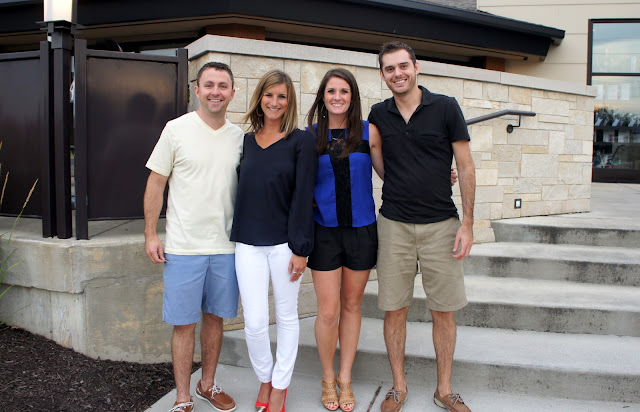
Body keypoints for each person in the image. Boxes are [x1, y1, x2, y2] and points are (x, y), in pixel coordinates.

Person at [368, 42, 476, 412]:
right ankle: (398, 387)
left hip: (442, 225)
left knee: (443, 311)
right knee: (394, 309)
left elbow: (465, 166)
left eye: (403, 66)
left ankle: (444, 390)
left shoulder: (446, 107)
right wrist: (402, 181)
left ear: (416, 67)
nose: (397, 73)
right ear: (382, 75)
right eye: (389, 68)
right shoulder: (378, 113)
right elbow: (376, 156)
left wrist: (468, 224)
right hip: (394, 225)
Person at [144, 62, 241, 412]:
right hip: (183, 248)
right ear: (196, 90)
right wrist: (150, 233)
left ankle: (207, 385)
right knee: (184, 324)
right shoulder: (176, 129)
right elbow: (156, 182)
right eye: (209, 84)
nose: (216, 91)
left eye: (223, 86)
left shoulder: (240, 137)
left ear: (232, 92)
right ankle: (182, 397)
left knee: (215, 319)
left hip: (227, 247)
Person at [230, 70, 318, 412]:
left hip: (284, 245)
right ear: (260, 98)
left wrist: (301, 249)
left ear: (289, 101)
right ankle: (265, 378)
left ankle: (280, 386)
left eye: (282, 96)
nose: (275, 102)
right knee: (253, 323)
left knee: (286, 316)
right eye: (269, 95)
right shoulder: (246, 142)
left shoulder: (301, 141)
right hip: (247, 243)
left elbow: (304, 196)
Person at [306, 68, 383, 412]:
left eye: (344, 91)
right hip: (323, 232)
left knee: (352, 306)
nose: (337, 97)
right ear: (323, 97)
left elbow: (391, 173)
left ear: (353, 97)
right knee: (328, 311)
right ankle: (327, 378)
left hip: (361, 230)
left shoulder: (369, 132)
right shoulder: (309, 136)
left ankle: (345, 377)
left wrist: (439, 176)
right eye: (331, 91)